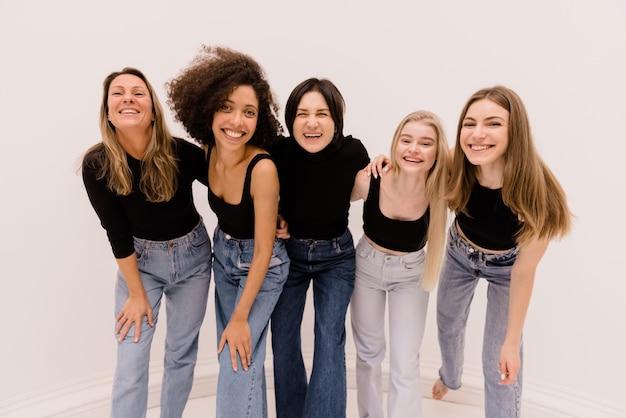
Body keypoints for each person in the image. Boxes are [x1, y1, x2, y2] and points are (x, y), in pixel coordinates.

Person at [372, 85, 572, 417]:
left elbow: (524, 272)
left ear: (515, 131)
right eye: (469, 123)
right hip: (459, 253)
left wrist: (511, 342)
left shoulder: (539, 194)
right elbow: (416, 157)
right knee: (447, 322)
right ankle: (450, 376)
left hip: (509, 269)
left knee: (500, 361)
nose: (477, 135)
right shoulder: (457, 160)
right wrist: (386, 160)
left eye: (493, 123)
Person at [166, 45, 290, 418]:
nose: (237, 121)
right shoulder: (207, 153)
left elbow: (266, 253)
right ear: (208, 109)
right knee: (237, 357)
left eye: (249, 112)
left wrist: (240, 316)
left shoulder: (262, 169)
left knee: (237, 356)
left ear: (259, 120)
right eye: (227, 107)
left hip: (262, 268)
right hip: (223, 258)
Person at [81, 67, 212, 418]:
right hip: (139, 265)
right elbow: (117, 234)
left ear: (152, 108)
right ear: (108, 111)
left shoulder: (181, 153)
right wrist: (137, 295)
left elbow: (227, 186)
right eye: (118, 93)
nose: (128, 98)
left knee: (180, 354)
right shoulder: (97, 165)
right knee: (131, 360)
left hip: (194, 259)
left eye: (138, 92)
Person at [269, 78, 370, 418]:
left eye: (322, 114)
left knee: (330, 341)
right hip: (289, 256)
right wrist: (277, 215)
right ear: (290, 120)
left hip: (336, 257)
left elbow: (367, 190)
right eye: (302, 114)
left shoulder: (353, 152)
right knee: (283, 341)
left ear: (336, 120)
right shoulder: (279, 152)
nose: (312, 122)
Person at [350, 110, 450, 418]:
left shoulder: (442, 190)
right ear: (395, 144)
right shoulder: (371, 179)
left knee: (405, 363)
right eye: (406, 140)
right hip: (366, 267)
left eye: (425, 143)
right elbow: (329, 198)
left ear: (438, 152)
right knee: (368, 355)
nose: (413, 149)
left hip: (411, 275)